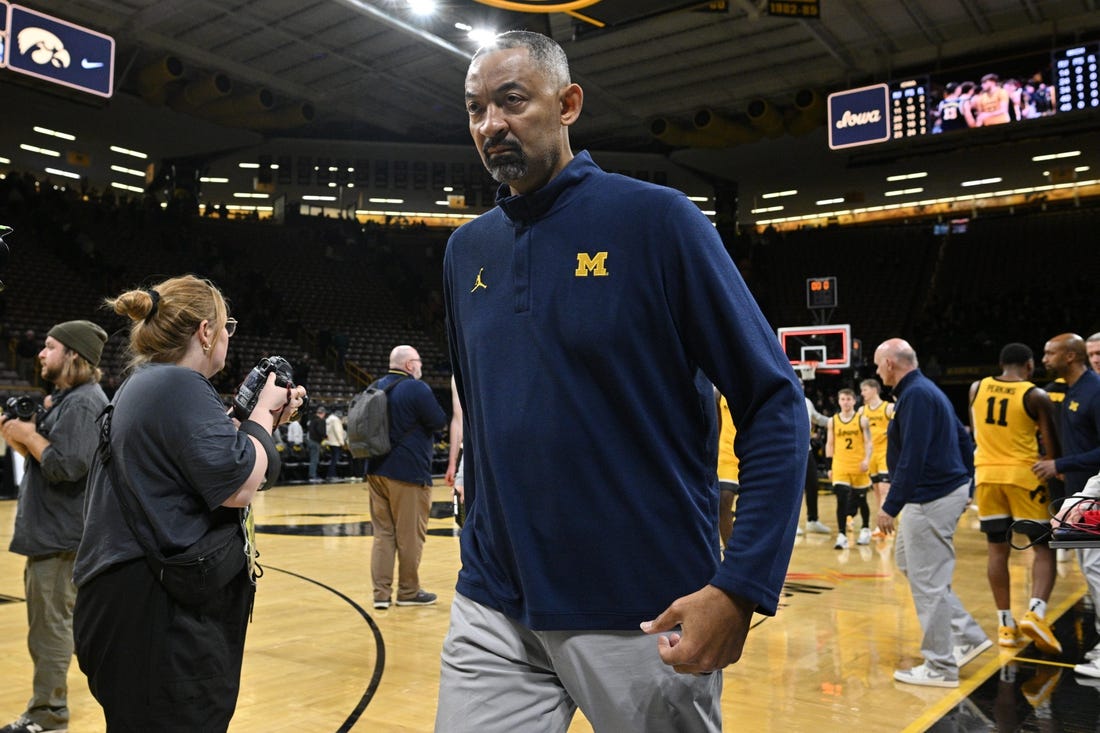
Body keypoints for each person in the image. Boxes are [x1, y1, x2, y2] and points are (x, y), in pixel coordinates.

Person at [437, 31, 807, 732]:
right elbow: (484, 419)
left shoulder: (656, 221)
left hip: (643, 607)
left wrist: (741, 586)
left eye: (511, 101)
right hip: (492, 604)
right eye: (476, 109)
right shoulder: (465, 252)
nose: (491, 126)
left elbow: (772, 401)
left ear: (569, 103)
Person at [71, 275, 307, 731]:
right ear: (205, 331)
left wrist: (257, 420)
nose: (227, 337)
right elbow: (238, 485)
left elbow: (217, 465)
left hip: (125, 602)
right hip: (153, 610)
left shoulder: (148, 383)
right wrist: (262, 412)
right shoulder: (180, 384)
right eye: (227, 326)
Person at [0, 321, 109, 733]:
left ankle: (48, 714)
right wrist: (18, 435)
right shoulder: (69, 399)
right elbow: (45, 458)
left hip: (60, 536)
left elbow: (67, 465)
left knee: (49, 632)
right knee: (56, 628)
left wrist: (30, 434)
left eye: (49, 347)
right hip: (55, 532)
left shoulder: (82, 403)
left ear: (73, 356)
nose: (41, 354)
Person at [874, 338, 991, 688]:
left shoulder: (916, 396)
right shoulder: (925, 391)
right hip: (939, 493)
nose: (878, 371)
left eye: (879, 365)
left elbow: (914, 456)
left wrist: (889, 505)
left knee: (929, 582)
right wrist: (967, 486)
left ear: (892, 364)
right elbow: (964, 439)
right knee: (912, 565)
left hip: (929, 498)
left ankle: (941, 666)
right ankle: (967, 635)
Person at [968, 343, 1061, 653]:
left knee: (997, 551)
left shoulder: (976, 388)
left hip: (986, 477)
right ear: (1030, 366)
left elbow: (978, 432)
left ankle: (1005, 626)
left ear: (1000, 363)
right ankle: (1035, 612)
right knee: (1044, 548)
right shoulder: (1035, 395)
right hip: (1024, 477)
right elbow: (1051, 449)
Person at [1032, 333, 1100, 676]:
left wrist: (1060, 465)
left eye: (1049, 352)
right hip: (1079, 493)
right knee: (1091, 571)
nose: (1044, 358)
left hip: (1096, 494)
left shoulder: (1096, 390)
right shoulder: (1067, 389)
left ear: (1070, 357)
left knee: (1096, 569)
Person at [366, 345, 446, 609]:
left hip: (376, 470)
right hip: (408, 472)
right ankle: (408, 592)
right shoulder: (416, 388)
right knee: (410, 536)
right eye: (419, 362)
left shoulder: (376, 386)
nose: (421, 367)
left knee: (383, 535)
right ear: (410, 365)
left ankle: (380, 595)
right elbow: (438, 421)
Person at [826, 387, 872, 549]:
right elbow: (830, 444)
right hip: (840, 465)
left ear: (854, 401)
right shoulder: (833, 421)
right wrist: (829, 466)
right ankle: (841, 534)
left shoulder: (862, 420)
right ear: (839, 401)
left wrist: (867, 459)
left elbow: (868, 442)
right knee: (841, 498)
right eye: (842, 399)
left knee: (861, 499)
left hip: (858, 464)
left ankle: (865, 528)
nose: (845, 402)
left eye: (848, 399)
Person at [858, 378, 894, 538]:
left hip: (886, 453)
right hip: (871, 455)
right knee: (877, 492)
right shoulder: (862, 411)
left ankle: (887, 526)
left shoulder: (888, 408)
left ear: (874, 390)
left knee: (886, 490)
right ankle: (882, 525)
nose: (862, 393)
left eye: (864, 390)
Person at [803, 391, 832, 535]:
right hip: (787, 450)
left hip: (806, 450)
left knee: (813, 484)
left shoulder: (807, 401)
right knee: (789, 488)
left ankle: (812, 520)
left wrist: (838, 420)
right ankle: (790, 525)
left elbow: (818, 418)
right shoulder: (780, 398)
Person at [716, 391, 739, 549]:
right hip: (726, 456)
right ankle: (730, 553)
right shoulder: (718, 394)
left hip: (751, 453)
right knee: (723, 503)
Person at [325, 407, 347, 482]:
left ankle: (331, 475)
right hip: (336, 443)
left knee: (333, 460)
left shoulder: (328, 419)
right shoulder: (336, 420)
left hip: (330, 442)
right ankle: (331, 476)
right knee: (334, 460)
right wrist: (342, 442)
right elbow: (338, 432)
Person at [306, 405, 327, 483]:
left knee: (313, 459)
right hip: (315, 442)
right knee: (314, 460)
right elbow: (321, 431)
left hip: (310, 441)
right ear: (323, 413)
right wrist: (325, 436)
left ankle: (313, 474)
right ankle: (312, 475)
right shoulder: (320, 420)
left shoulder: (312, 420)